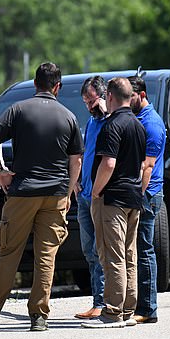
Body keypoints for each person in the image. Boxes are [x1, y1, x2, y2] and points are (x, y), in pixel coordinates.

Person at [0, 62, 83, 332]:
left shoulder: (18, 110)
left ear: (35, 84)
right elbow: (76, 161)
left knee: (9, 253)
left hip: (22, 192)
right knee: (46, 256)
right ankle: (39, 316)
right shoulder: (68, 116)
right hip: (55, 194)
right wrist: (68, 192)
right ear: (57, 87)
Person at [81, 77, 146, 329]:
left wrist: (96, 191)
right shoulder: (138, 125)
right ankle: (128, 310)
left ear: (109, 96)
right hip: (132, 197)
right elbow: (141, 166)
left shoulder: (112, 125)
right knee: (129, 255)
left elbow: (108, 164)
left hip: (113, 199)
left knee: (111, 255)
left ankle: (112, 312)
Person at [128, 75, 166, 324]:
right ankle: (137, 305)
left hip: (147, 194)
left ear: (141, 95)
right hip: (138, 193)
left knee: (145, 251)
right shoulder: (136, 118)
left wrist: (137, 196)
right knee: (137, 250)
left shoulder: (151, 123)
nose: (125, 101)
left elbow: (148, 167)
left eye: (129, 96)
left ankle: (148, 309)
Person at [74, 75, 108, 320]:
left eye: (92, 101)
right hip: (84, 195)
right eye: (85, 102)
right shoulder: (92, 123)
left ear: (104, 97)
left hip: (101, 197)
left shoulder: (111, 121)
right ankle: (97, 300)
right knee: (89, 250)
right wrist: (76, 183)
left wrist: (108, 113)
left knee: (102, 250)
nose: (89, 107)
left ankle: (104, 302)